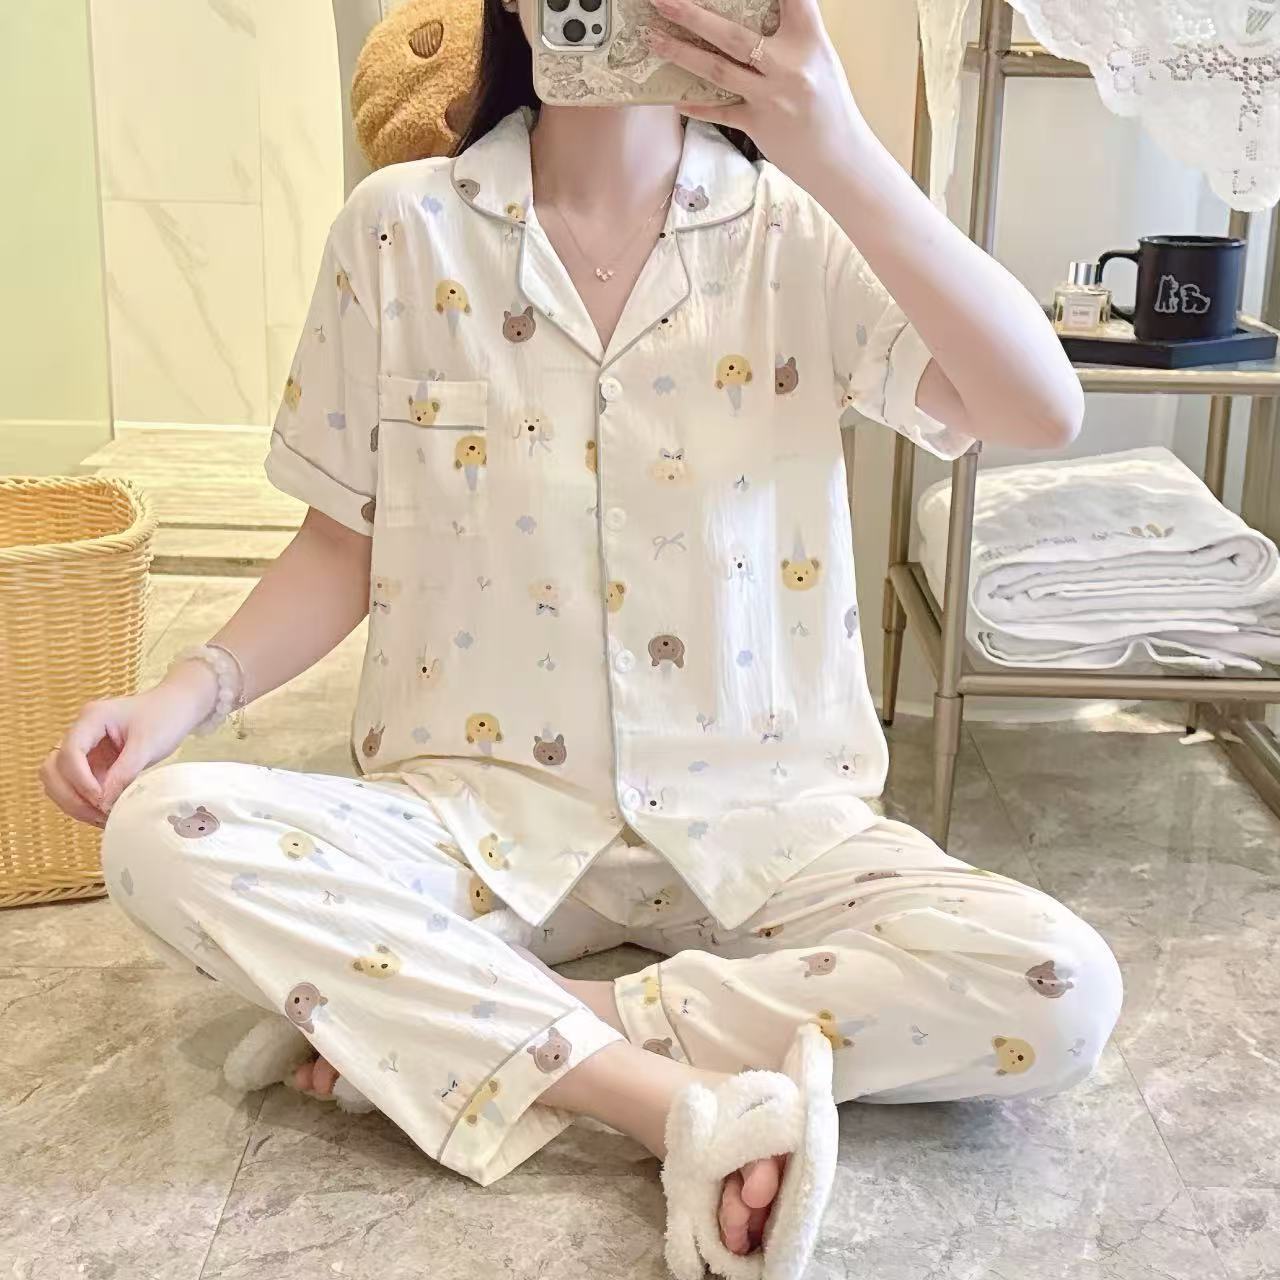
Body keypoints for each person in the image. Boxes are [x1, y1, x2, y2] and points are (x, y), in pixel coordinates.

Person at [42, 0, 1120, 1270]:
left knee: (1060, 983)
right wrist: (181, 694)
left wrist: (834, 143)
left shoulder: (800, 231)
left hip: (767, 820)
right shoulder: (399, 229)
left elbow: (1036, 409)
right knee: (162, 829)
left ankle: (477, 1012)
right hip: (473, 817)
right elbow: (342, 544)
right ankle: (662, 1100)